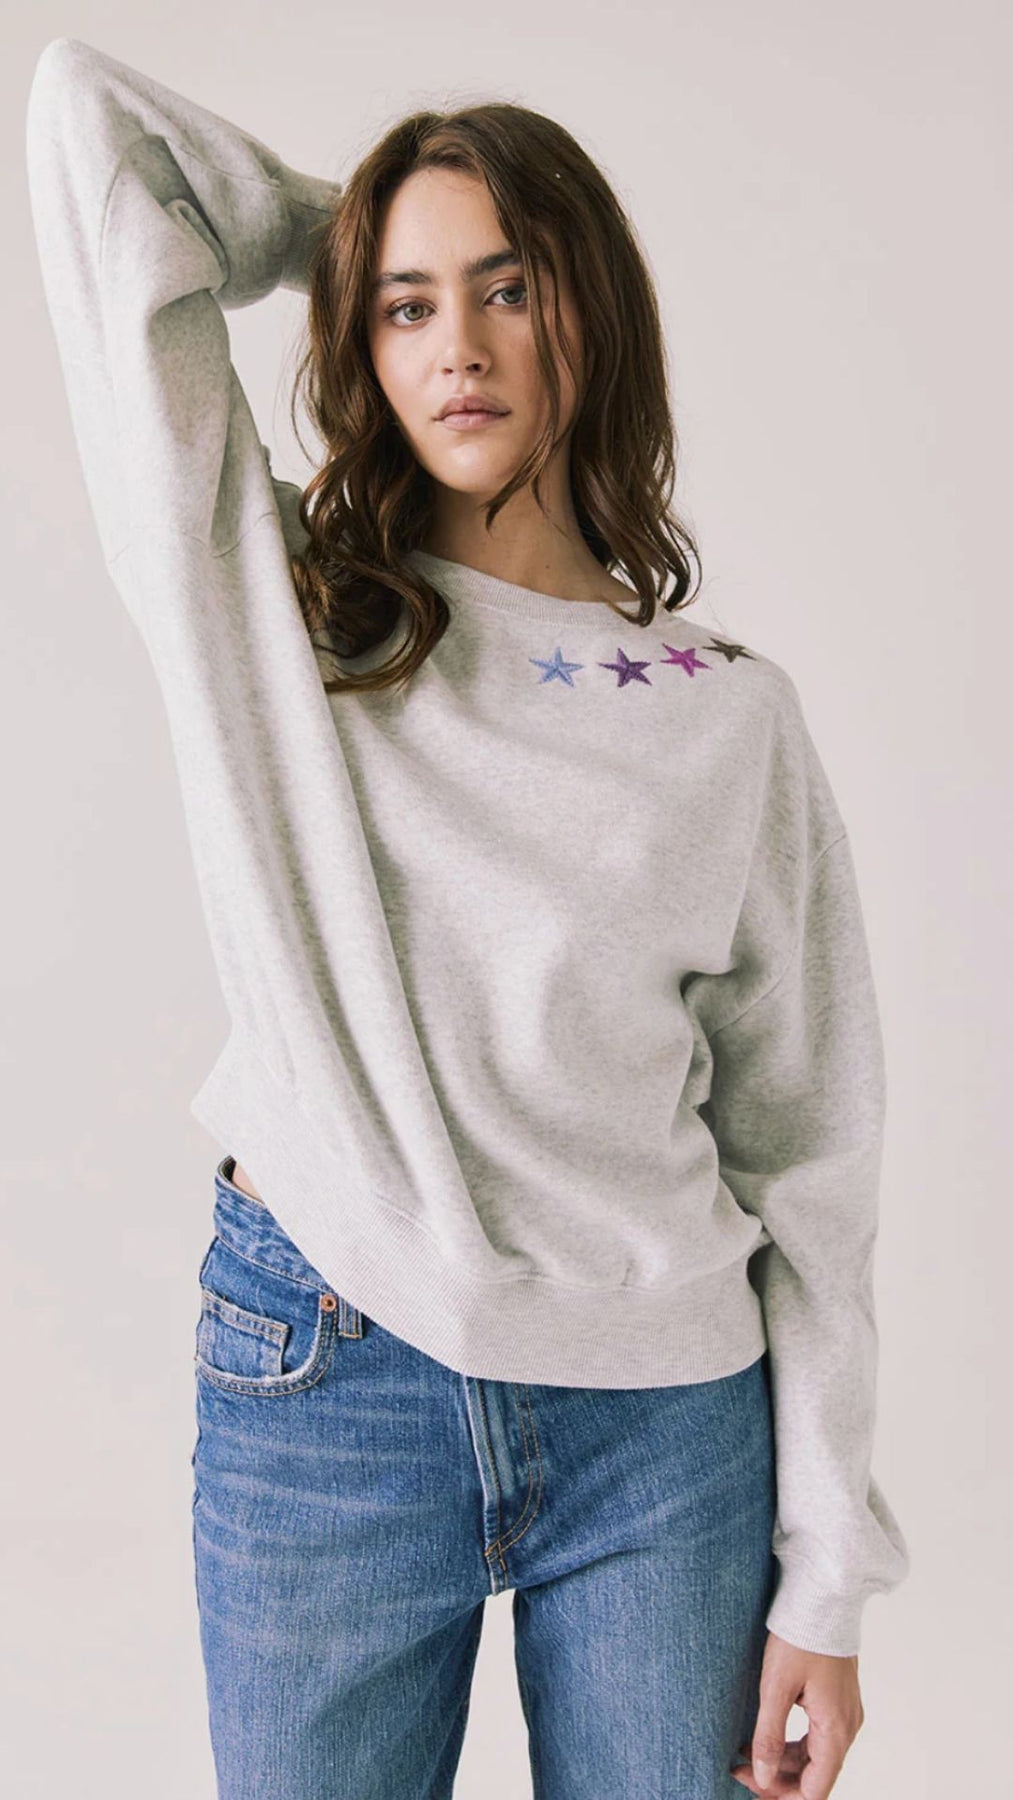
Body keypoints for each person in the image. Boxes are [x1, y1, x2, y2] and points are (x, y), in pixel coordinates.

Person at [25, 35, 910, 1800]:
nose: (459, 348)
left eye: (509, 290)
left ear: (590, 313)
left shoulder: (727, 716)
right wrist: (345, 238)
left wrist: (829, 1573)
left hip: (664, 1419)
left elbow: (809, 1156)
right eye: (407, 309)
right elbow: (86, 128)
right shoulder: (274, 608)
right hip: (324, 1370)